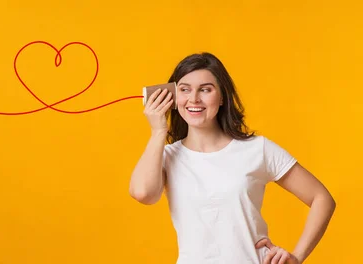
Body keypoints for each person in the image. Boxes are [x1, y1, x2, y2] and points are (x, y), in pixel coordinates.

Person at [129, 52, 336, 264]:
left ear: (221, 98)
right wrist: (157, 132)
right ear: (173, 97)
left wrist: (297, 257)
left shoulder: (257, 149)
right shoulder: (166, 157)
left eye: (205, 89)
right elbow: (143, 193)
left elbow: (322, 199)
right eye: (184, 90)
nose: (194, 99)